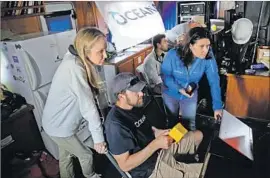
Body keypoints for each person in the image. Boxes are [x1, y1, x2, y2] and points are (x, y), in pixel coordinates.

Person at [104, 72, 204, 178]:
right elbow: (125, 165)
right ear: (121, 96)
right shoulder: (115, 125)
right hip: (150, 169)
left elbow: (146, 129)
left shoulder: (134, 107)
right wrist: (155, 145)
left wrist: (158, 132)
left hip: (159, 151)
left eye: (140, 90)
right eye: (135, 92)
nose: (141, 94)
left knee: (198, 135)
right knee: (201, 173)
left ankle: (181, 162)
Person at [42, 27, 108, 178]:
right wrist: (99, 141)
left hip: (56, 124)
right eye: (100, 51)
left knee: (66, 157)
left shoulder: (76, 58)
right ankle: (91, 176)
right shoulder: (74, 67)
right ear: (85, 51)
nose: (105, 55)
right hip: (58, 126)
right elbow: (89, 108)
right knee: (86, 155)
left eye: (105, 50)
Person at [161, 27, 223, 130]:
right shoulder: (173, 54)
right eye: (201, 46)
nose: (205, 50)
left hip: (190, 92)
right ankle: (175, 145)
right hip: (170, 92)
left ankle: (189, 144)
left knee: (189, 124)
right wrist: (179, 89)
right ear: (190, 45)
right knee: (173, 122)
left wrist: (217, 107)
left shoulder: (208, 56)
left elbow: (214, 81)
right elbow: (165, 76)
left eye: (208, 46)